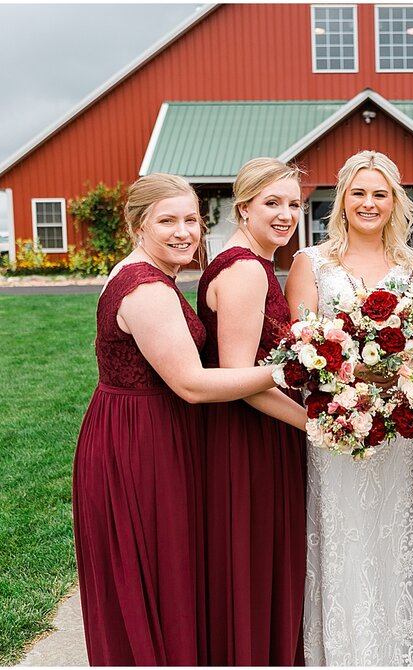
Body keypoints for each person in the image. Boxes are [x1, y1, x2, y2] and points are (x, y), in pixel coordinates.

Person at [71, 173, 283, 666]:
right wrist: (287, 368)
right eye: (167, 220)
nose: (184, 231)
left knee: (164, 575)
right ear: (137, 225)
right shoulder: (146, 289)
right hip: (141, 443)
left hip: (141, 428)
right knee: (153, 573)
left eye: (192, 219)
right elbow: (191, 383)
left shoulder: (149, 274)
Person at [284, 150, 413, 665]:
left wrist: (401, 379)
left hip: (398, 427)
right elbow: (300, 351)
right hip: (338, 424)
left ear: (396, 203)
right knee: (342, 537)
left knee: (396, 535)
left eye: (380, 194)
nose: (369, 203)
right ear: (341, 199)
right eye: (358, 192)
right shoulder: (312, 263)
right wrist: (352, 379)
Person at [197, 158, 309, 665]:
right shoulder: (245, 270)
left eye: (294, 205)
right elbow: (240, 377)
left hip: (261, 427)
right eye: (272, 203)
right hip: (250, 434)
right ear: (243, 208)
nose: (286, 214)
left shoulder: (252, 261)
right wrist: (313, 424)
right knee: (253, 556)